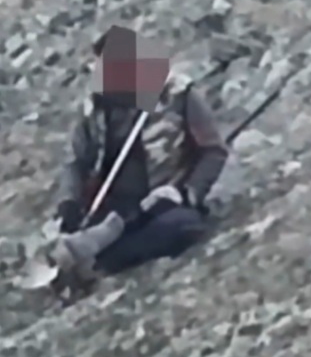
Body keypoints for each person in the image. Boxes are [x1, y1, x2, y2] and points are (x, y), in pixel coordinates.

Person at [53, 26, 229, 278]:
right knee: (82, 229)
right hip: (113, 204)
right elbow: (77, 162)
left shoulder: (178, 95)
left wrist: (187, 192)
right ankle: (94, 245)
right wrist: (68, 201)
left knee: (181, 226)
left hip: (165, 200)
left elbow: (213, 151)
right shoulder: (96, 107)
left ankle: (100, 258)